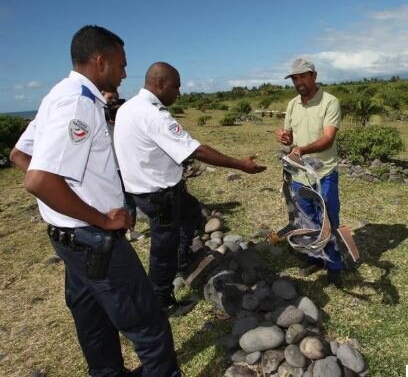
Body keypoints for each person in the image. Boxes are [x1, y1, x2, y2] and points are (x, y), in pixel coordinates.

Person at [10, 25, 181, 376]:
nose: (124, 73)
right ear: (100, 61)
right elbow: (39, 180)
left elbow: (19, 154)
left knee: (94, 322)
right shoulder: (79, 103)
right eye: (121, 64)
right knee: (149, 325)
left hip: (67, 240)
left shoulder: (56, 95)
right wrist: (101, 219)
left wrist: (74, 197)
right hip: (94, 240)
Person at [113, 62, 266, 313]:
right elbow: (196, 150)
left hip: (147, 189)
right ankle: (161, 299)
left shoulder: (129, 107)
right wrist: (240, 165)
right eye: (176, 87)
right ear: (160, 84)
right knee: (163, 247)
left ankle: (182, 257)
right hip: (159, 195)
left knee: (192, 211)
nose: (179, 93)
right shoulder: (153, 114)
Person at [275, 58, 344, 287]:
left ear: (314, 76)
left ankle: (334, 266)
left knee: (328, 221)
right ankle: (315, 258)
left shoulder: (329, 102)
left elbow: (328, 138)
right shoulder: (293, 104)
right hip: (299, 175)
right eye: (295, 78)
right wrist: (287, 138)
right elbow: (290, 136)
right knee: (306, 221)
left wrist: (302, 149)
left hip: (323, 173)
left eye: (303, 76)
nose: (299, 82)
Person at [102, 89, 145, 242]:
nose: (113, 101)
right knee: (110, 201)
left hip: (124, 166)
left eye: (116, 98)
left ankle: (130, 230)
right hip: (107, 168)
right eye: (109, 98)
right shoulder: (96, 119)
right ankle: (113, 229)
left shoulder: (123, 119)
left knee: (129, 200)